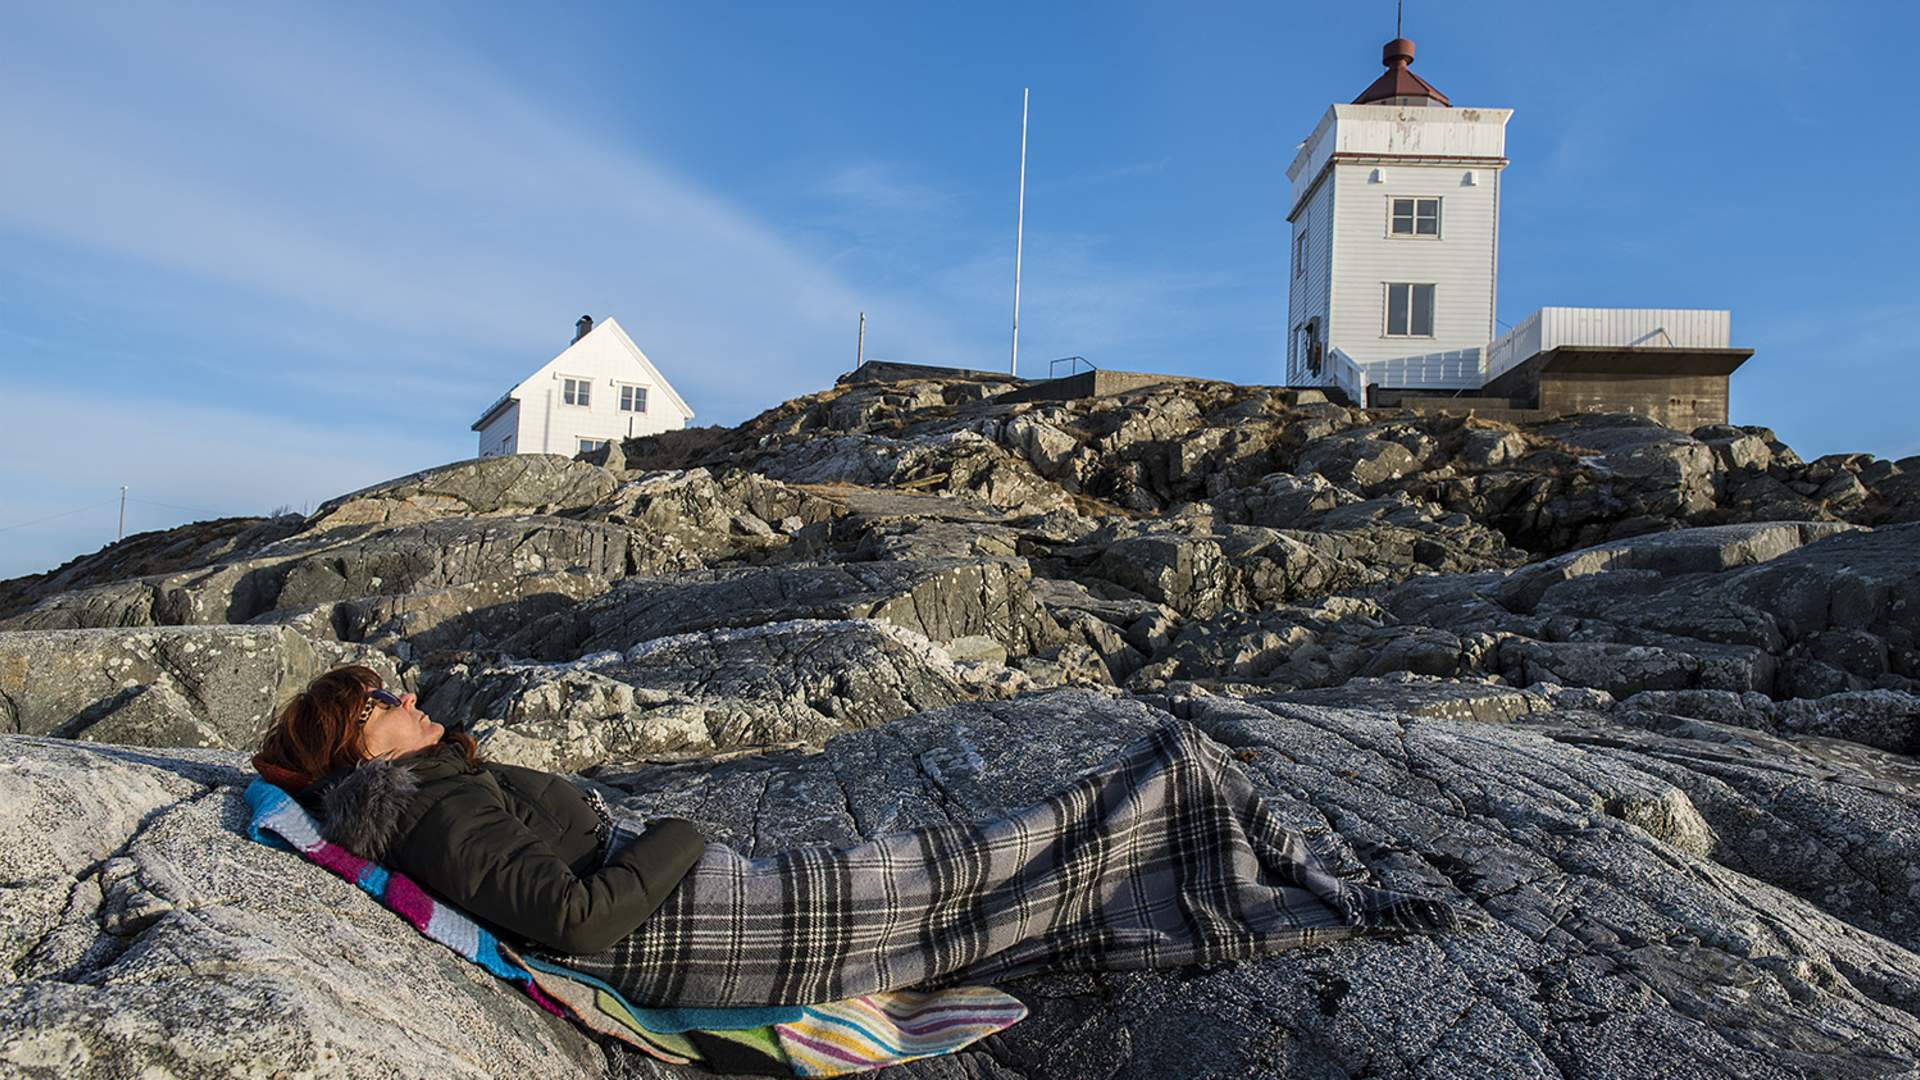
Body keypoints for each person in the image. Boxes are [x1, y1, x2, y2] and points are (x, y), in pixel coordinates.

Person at [254, 665, 1472, 1008]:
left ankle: (1233, 872)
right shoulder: (428, 806)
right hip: (701, 928)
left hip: (703, 917)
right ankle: (1250, 851)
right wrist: (677, 831)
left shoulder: (430, 790)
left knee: (987, 888)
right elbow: (571, 921)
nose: (413, 694)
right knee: (999, 859)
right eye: (389, 698)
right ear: (363, 742)